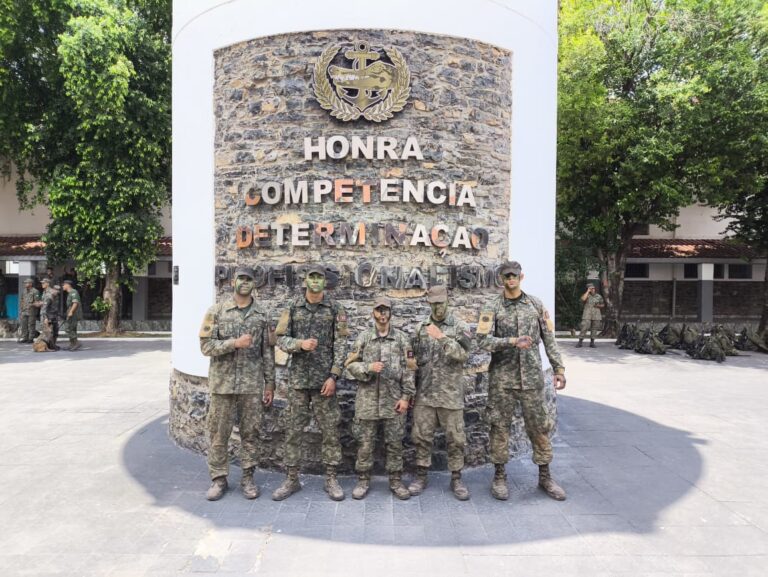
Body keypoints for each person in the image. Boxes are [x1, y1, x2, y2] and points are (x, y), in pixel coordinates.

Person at [477, 261, 568, 501]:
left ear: (521, 277)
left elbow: (549, 339)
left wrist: (558, 368)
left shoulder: (536, 305)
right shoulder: (492, 307)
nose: (511, 279)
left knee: (539, 427)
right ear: (501, 279)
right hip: (502, 380)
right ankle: (499, 476)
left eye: (514, 275)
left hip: (531, 379)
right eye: (506, 276)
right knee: (499, 427)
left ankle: (545, 476)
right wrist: (511, 341)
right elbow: (482, 341)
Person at [272, 264, 349, 501]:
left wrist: (334, 376)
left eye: (319, 278)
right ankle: (292, 479)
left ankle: (331, 479)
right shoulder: (292, 307)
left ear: (325, 282)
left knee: (330, 430)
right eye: (311, 277)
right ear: (305, 281)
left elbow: (341, 344)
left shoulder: (335, 308)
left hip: (324, 382)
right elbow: (279, 338)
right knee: (293, 430)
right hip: (298, 381)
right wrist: (299, 344)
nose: (315, 281)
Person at [199, 266, 275, 501]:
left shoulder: (262, 315)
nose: (244, 283)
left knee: (251, 434)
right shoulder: (217, 311)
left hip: (251, 386)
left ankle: (248, 478)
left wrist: (270, 384)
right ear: (233, 282)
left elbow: (267, 352)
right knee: (218, 434)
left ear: (254, 284)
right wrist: (234, 343)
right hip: (222, 385)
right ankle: (218, 479)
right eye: (241, 279)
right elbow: (206, 347)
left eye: (249, 279)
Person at [344, 296, 416, 500]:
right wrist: (368, 367)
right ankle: (363, 480)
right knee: (365, 444)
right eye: (379, 310)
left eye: (386, 310)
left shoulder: (402, 339)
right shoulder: (364, 337)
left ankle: (395, 480)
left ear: (390, 313)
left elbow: (410, 370)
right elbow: (349, 365)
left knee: (395, 443)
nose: (382, 314)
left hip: (393, 401)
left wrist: (406, 397)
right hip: (367, 402)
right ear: (373, 313)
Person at [408, 285, 473, 500]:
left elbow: (464, 355)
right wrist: (410, 388)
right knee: (421, 437)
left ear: (447, 301)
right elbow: (412, 360)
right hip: (425, 394)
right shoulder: (420, 328)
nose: (438, 308)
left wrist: (442, 338)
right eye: (434, 304)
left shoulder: (460, 326)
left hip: (450, 395)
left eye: (441, 303)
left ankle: (456, 478)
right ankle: (421, 476)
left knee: (455, 439)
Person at [577, 282, 604, 348]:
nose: (592, 289)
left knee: (594, 329)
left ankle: (592, 342)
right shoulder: (586, 295)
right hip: (587, 314)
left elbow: (603, 304)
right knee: (584, 327)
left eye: (593, 288)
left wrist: (599, 306)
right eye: (591, 288)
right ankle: (580, 342)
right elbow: (583, 299)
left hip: (596, 315)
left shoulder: (598, 296)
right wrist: (588, 291)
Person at [36, 280, 61, 351]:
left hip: (53, 315)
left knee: (55, 331)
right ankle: (48, 346)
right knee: (48, 332)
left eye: (43, 283)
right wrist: (45, 318)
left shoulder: (53, 294)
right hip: (48, 316)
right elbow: (44, 307)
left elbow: (53, 306)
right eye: (42, 283)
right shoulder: (47, 294)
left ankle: (52, 345)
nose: (42, 284)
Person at [61, 279, 83, 351]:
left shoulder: (73, 292)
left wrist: (71, 312)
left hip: (74, 313)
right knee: (72, 328)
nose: (63, 286)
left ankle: (76, 343)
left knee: (68, 328)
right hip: (71, 312)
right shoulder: (70, 293)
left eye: (64, 285)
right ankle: (72, 344)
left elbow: (75, 303)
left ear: (68, 285)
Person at [18, 278, 40, 343]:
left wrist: (31, 305)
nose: (25, 284)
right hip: (24, 310)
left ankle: (31, 338)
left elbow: (37, 302)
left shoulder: (35, 291)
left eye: (26, 283)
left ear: (30, 284)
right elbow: (22, 300)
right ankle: (25, 338)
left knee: (31, 325)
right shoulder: (24, 291)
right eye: (25, 283)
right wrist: (21, 309)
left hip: (31, 311)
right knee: (24, 325)